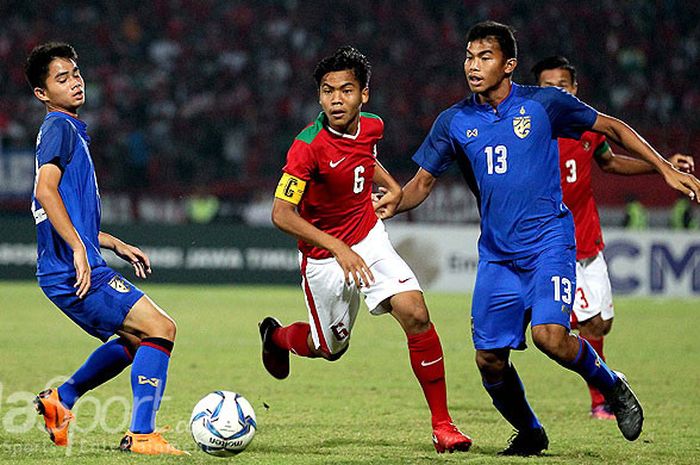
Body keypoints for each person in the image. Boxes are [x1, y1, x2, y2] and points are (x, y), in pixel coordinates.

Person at [388, 21, 700, 456]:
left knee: (550, 336)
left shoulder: (542, 104)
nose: (473, 66)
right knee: (489, 360)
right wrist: (392, 204)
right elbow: (422, 184)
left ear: (509, 64)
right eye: (468, 57)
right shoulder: (454, 121)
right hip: (497, 255)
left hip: (549, 243)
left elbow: (611, 128)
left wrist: (663, 167)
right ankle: (531, 432)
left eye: (485, 57)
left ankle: (611, 385)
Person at [259, 46, 472, 454]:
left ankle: (443, 426)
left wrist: (392, 186)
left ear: (364, 95)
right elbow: (281, 214)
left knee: (415, 311)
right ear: (319, 96)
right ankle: (277, 337)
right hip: (323, 256)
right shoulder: (306, 147)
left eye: (346, 90)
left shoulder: (373, 126)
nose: (336, 100)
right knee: (330, 348)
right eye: (327, 91)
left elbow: (363, 159)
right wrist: (338, 248)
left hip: (368, 237)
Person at [25, 42, 186, 455]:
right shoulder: (58, 127)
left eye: (75, 73)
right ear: (42, 93)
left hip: (68, 266)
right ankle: (142, 435)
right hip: (72, 268)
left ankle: (61, 400)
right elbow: (46, 192)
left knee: (139, 341)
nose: (75, 82)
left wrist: (112, 242)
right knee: (161, 328)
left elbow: (67, 212)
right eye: (61, 78)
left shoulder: (68, 130)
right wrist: (79, 250)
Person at [532, 55, 695, 420]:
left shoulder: (587, 128)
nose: (555, 92)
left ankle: (592, 375)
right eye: (546, 86)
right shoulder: (530, 133)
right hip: (554, 245)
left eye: (562, 85)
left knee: (600, 324)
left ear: (575, 90)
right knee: (567, 327)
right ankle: (602, 400)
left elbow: (610, 162)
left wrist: (660, 165)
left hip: (590, 240)